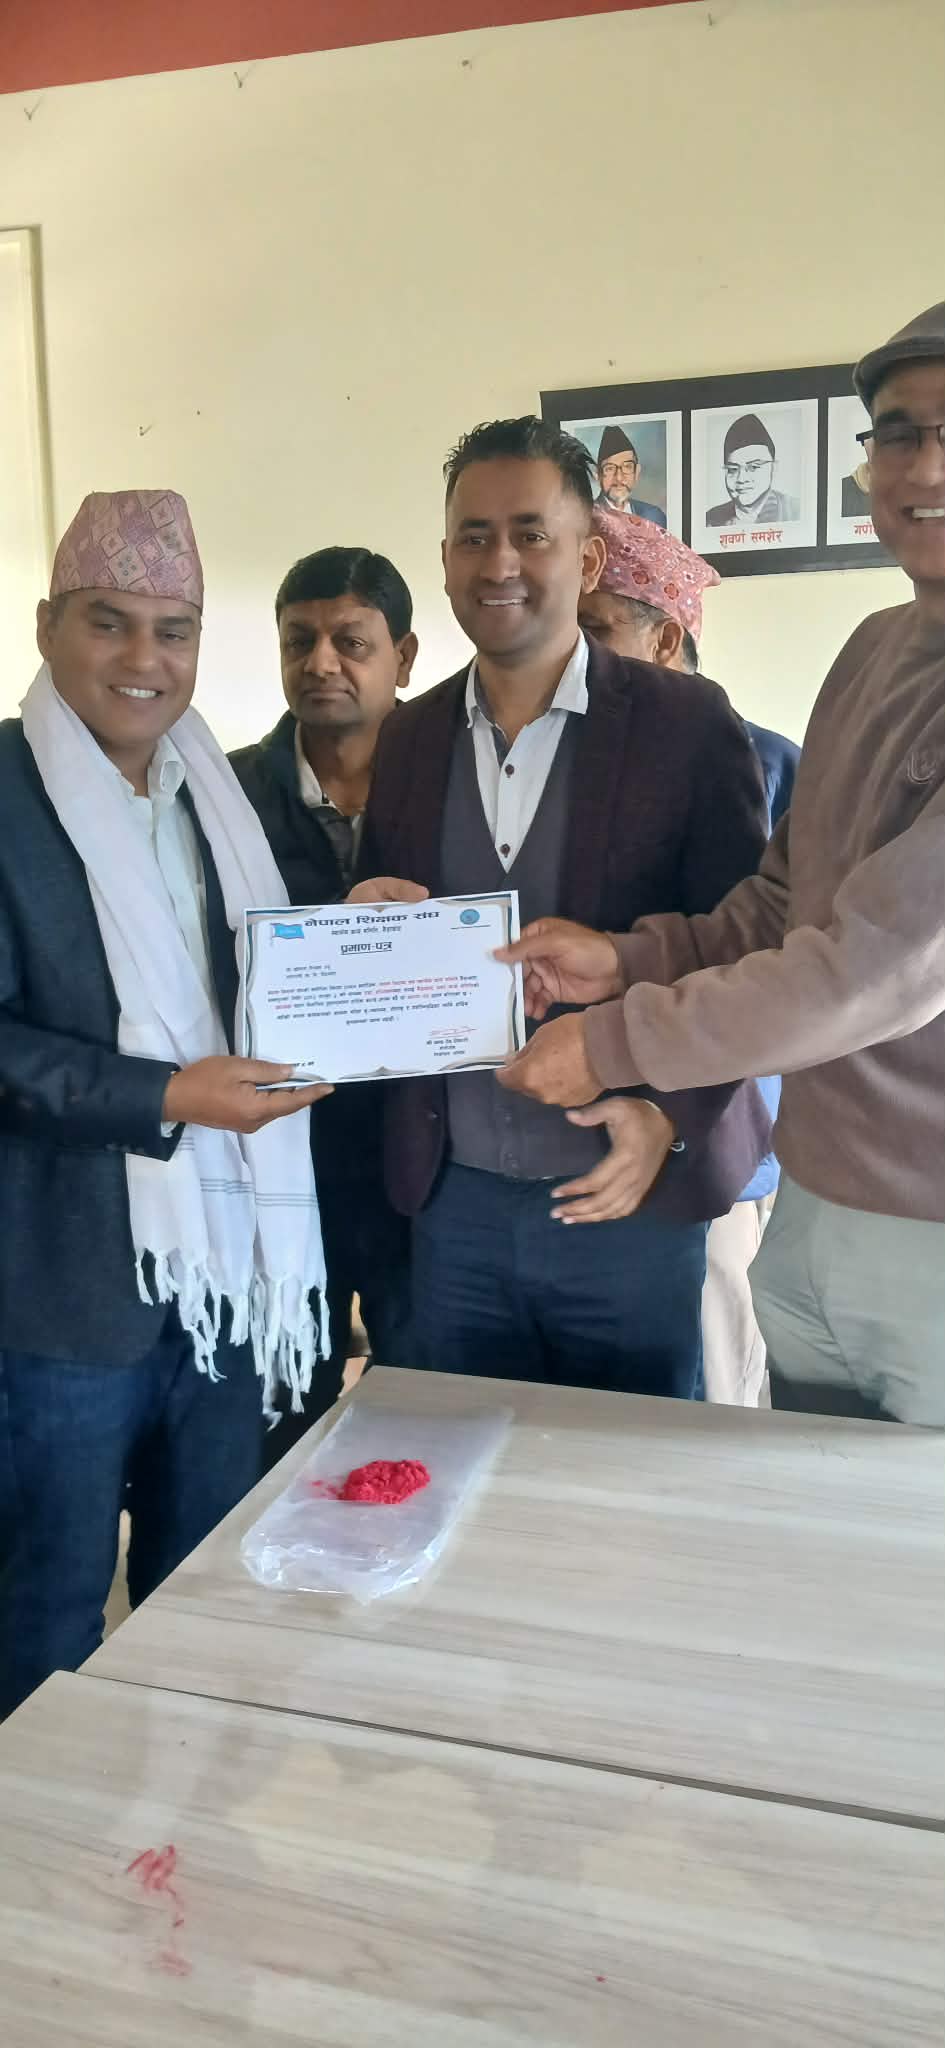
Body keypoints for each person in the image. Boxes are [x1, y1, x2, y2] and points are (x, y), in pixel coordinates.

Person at [496, 302, 945, 1426]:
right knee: (800, 1520)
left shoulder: (714, 735)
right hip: (814, 1204)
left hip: (928, 1236)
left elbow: (867, 972)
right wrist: (624, 958)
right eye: (899, 432)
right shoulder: (873, 650)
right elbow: (786, 902)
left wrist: (610, 1042)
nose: (926, 466)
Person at [354, 415, 771, 1398]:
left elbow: (749, 958)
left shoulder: (684, 725)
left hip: (623, 1198)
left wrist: (668, 1120)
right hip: (451, 1204)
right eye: (473, 536)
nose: (499, 562)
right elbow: (388, 938)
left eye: (530, 533)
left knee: (627, 1477)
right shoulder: (408, 739)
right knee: (467, 1460)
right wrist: (363, 920)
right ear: (445, 561)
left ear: (586, 560)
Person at [0, 489, 331, 1716]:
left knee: (204, 1591)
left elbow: (245, 979)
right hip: (60, 1292)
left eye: (173, 629)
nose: (144, 656)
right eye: (109, 621)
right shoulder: (3, 789)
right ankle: (41, 1828)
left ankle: (184, 1818)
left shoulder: (216, 797)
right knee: (49, 1605)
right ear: (49, 625)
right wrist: (164, 1094)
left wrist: (346, 941)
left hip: (223, 1286)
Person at [578, 508, 800, 1405]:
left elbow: (774, 967)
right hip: (587, 1132)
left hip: (720, 1139)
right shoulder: (566, 763)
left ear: (666, 639)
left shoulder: (769, 767)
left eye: (595, 629)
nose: (572, 655)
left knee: (709, 1395)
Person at [230, 548, 416, 1459]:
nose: (321, 663)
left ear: (403, 657)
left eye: (351, 641)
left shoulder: (457, 783)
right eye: (298, 641)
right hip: (278, 1152)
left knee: (423, 1403)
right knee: (282, 1407)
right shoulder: (223, 793)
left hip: (420, 1152)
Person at [706, 413, 801, 527]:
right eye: (733, 469)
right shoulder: (711, 519)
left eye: (753, 467)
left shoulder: (796, 511)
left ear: (774, 468)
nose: (742, 479)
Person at [596, 424, 667, 527]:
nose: (619, 478)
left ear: (636, 472)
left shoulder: (654, 517)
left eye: (627, 467)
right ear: (598, 475)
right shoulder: (584, 518)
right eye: (610, 468)